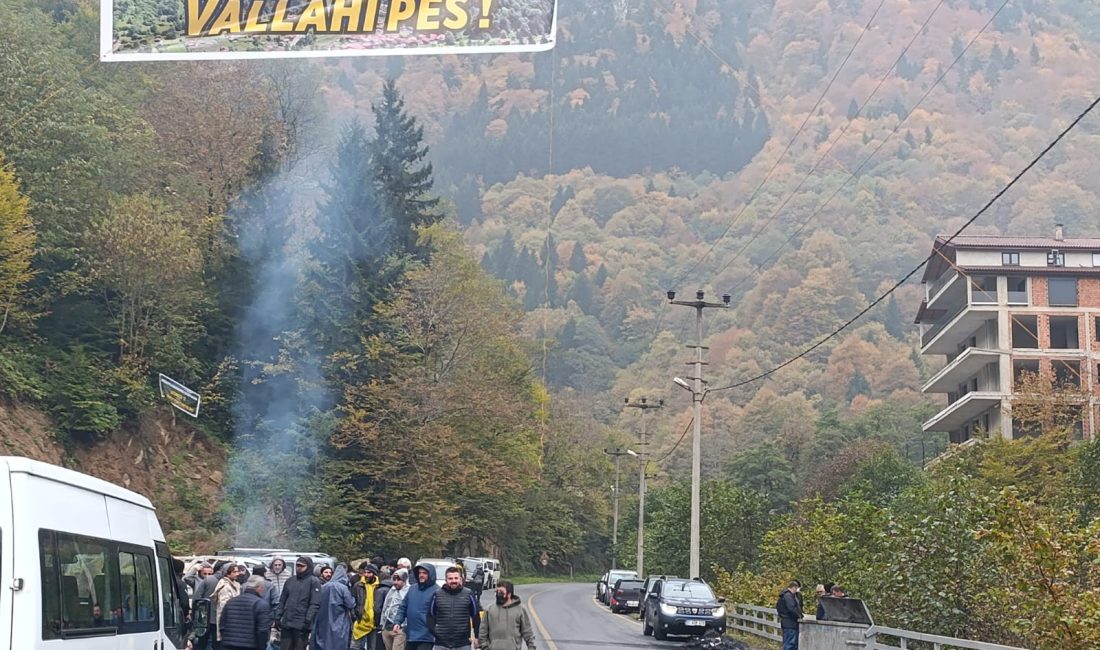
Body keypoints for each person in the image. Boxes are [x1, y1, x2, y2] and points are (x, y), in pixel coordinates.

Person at [428, 567, 481, 650]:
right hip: (441, 644)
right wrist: (435, 633)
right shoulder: (437, 595)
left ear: (460, 579)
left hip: (463, 643)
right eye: (450, 578)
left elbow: (475, 616)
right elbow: (430, 616)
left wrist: (477, 636)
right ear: (446, 580)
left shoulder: (469, 594)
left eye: (456, 578)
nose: (453, 581)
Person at [277, 556, 323, 650]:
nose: (299, 568)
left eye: (302, 566)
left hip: (301, 625)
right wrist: (277, 617)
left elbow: (314, 603)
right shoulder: (290, 581)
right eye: (297, 565)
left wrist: (307, 621)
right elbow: (282, 600)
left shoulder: (313, 582)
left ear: (308, 567)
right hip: (287, 622)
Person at [392, 563, 439, 650]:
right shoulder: (412, 589)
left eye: (424, 573)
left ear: (431, 574)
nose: (421, 575)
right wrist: (397, 622)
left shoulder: (437, 591)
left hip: (427, 637)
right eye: (420, 573)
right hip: (411, 635)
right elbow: (403, 607)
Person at [220, 575, 274, 650]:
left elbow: (222, 625)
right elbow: (262, 631)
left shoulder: (231, 602)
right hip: (251, 646)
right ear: (259, 588)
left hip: (228, 645)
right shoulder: (261, 604)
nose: (263, 590)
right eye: (262, 587)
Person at [478, 581, 534, 650]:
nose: (498, 594)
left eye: (501, 592)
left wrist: (531, 646)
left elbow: (527, 631)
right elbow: (483, 631)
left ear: (509, 594)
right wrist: (484, 647)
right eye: (497, 591)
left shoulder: (520, 610)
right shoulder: (489, 610)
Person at [313, 564, 357, 650]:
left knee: (324, 642)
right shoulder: (343, 588)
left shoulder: (324, 586)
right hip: (339, 619)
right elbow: (350, 604)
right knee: (338, 643)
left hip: (324, 619)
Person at [213, 565, 246, 648]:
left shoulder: (235, 584)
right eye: (234, 572)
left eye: (237, 571)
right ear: (227, 574)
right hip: (228, 622)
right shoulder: (225, 587)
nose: (237, 574)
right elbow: (224, 607)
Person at [351, 563, 381, 650]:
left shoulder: (379, 586)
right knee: (355, 647)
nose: (366, 575)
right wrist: (354, 616)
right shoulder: (358, 585)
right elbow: (352, 601)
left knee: (372, 647)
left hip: (374, 622)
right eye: (365, 572)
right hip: (360, 621)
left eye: (369, 573)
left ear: (374, 574)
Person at [380, 569, 410, 650]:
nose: (396, 582)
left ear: (404, 580)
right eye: (394, 579)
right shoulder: (392, 590)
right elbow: (385, 607)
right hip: (387, 627)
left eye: (399, 580)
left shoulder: (409, 592)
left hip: (400, 628)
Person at [775, 580, 804, 650]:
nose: (797, 591)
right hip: (790, 623)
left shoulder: (783, 595)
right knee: (790, 644)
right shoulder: (788, 596)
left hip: (786, 622)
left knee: (789, 643)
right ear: (794, 587)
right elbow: (791, 609)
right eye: (796, 589)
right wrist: (799, 616)